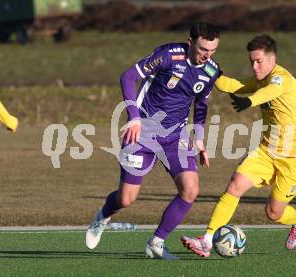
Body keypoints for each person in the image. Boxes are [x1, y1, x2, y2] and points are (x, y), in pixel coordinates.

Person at [85, 22, 221, 260]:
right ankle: (104, 214)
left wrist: (199, 140)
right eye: (202, 50)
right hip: (143, 133)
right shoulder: (167, 55)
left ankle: (156, 243)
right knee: (126, 198)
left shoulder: (211, 71)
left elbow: (201, 105)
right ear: (190, 42)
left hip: (175, 136)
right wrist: (134, 118)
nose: (206, 56)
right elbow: (127, 77)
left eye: (212, 51)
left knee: (190, 190)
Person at [181, 34, 296, 257]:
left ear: (272, 59)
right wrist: (208, 69)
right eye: (251, 61)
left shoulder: (282, 79)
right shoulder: (261, 78)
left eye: (259, 61)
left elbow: (270, 92)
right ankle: (206, 239)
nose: (254, 66)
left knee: (273, 213)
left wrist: (250, 101)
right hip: (267, 151)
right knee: (235, 184)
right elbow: (235, 85)